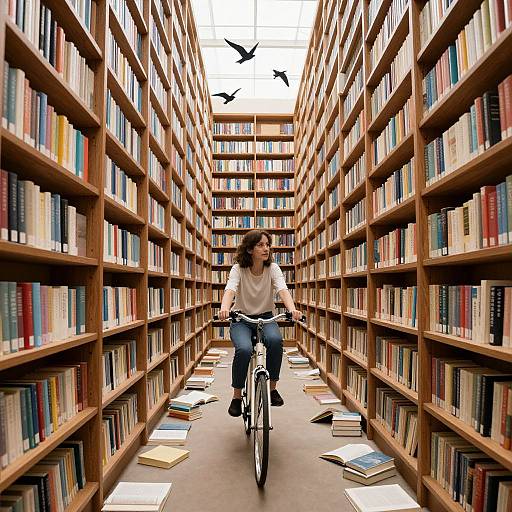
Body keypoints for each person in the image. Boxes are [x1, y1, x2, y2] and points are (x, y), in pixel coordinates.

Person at [219, 229, 302, 417]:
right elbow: (230, 290)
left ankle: (272, 389)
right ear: (249, 249)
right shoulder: (238, 269)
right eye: (261, 245)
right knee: (244, 350)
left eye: (268, 245)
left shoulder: (273, 268)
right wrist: (225, 308)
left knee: (275, 342)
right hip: (241, 318)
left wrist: (291, 309)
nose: (266, 249)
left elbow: (283, 289)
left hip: (266, 317)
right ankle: (237, 397)